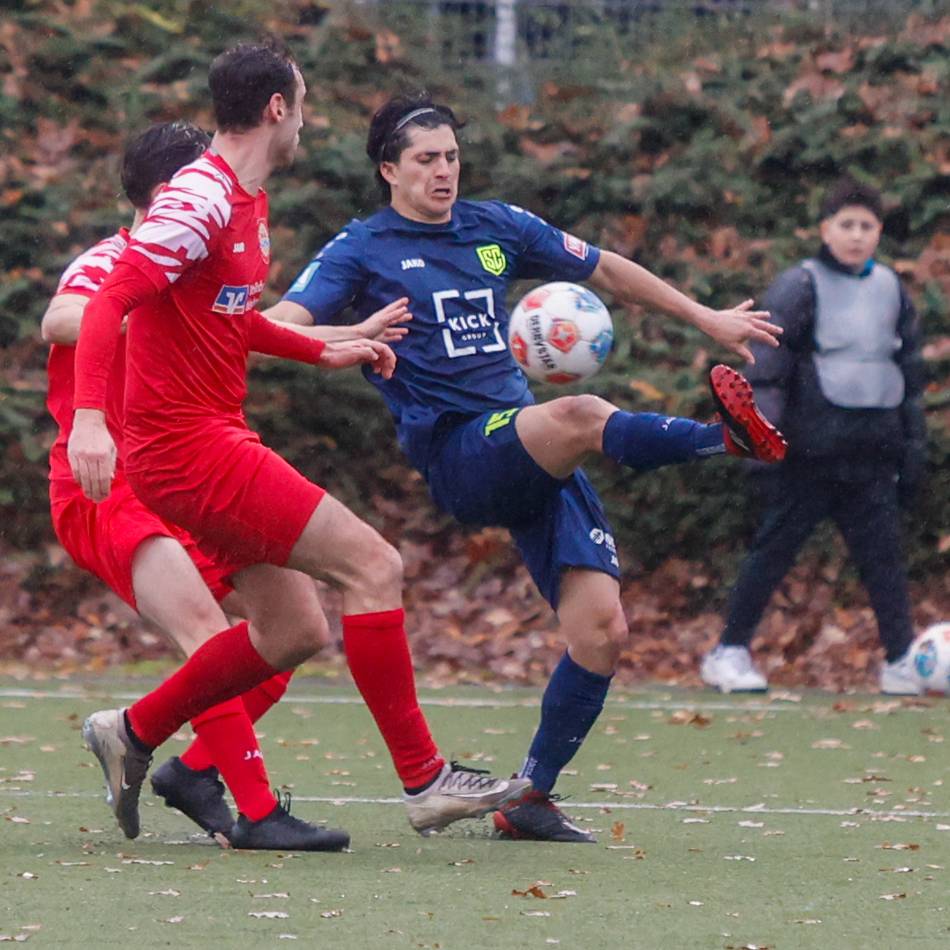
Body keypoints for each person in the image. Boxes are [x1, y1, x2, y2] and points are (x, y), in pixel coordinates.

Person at [268, 93, 787, 843]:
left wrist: (707, 317)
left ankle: (530, 797)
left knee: (602, 632)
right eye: (425, 159)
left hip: (528, 443)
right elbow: (278, 326)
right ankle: (724, 441)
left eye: (450, 156)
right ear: (388, 169)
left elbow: (606, 268)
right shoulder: (361, 248)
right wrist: (351, 334)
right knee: (581, 413)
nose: (444, 171)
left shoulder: (494, 226)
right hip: (461, 452)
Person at [68, 44, 528, 852]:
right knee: (373, 566)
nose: (309, 119)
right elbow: (111, 301)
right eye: (304, 103)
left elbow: (230, 318)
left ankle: (135, 734)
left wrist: (332, 347)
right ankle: (424, 781)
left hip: (210, 436)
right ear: (278, 108)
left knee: (293, 633)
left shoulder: (248, 199)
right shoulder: (200, 200)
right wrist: (90, 422)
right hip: (186, 447)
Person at [43, 120, 411, 850]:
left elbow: (245, 327)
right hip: (106, 488)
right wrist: (140, 318)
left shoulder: (198, 271)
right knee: (205, 633)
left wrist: (336, 339)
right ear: (166, 194)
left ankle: (182, 766)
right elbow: (61, 317)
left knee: (292, 632)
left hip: (182, 471)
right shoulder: (119, 262)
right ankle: (257, 813)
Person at [700, 177, 927, 696]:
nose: (855, 235)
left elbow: (910, 376)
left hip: (871, 451)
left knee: (885, 559)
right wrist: (761, 446)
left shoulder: (893, 288)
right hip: (807, 454)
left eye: (866, 226)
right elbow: (769, 369)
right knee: (773, 552)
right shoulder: (799, 285)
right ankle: (728, 652)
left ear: (879, 233)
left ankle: (900, 659)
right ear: (825, 229)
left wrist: (913, 449)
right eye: (845, 224)